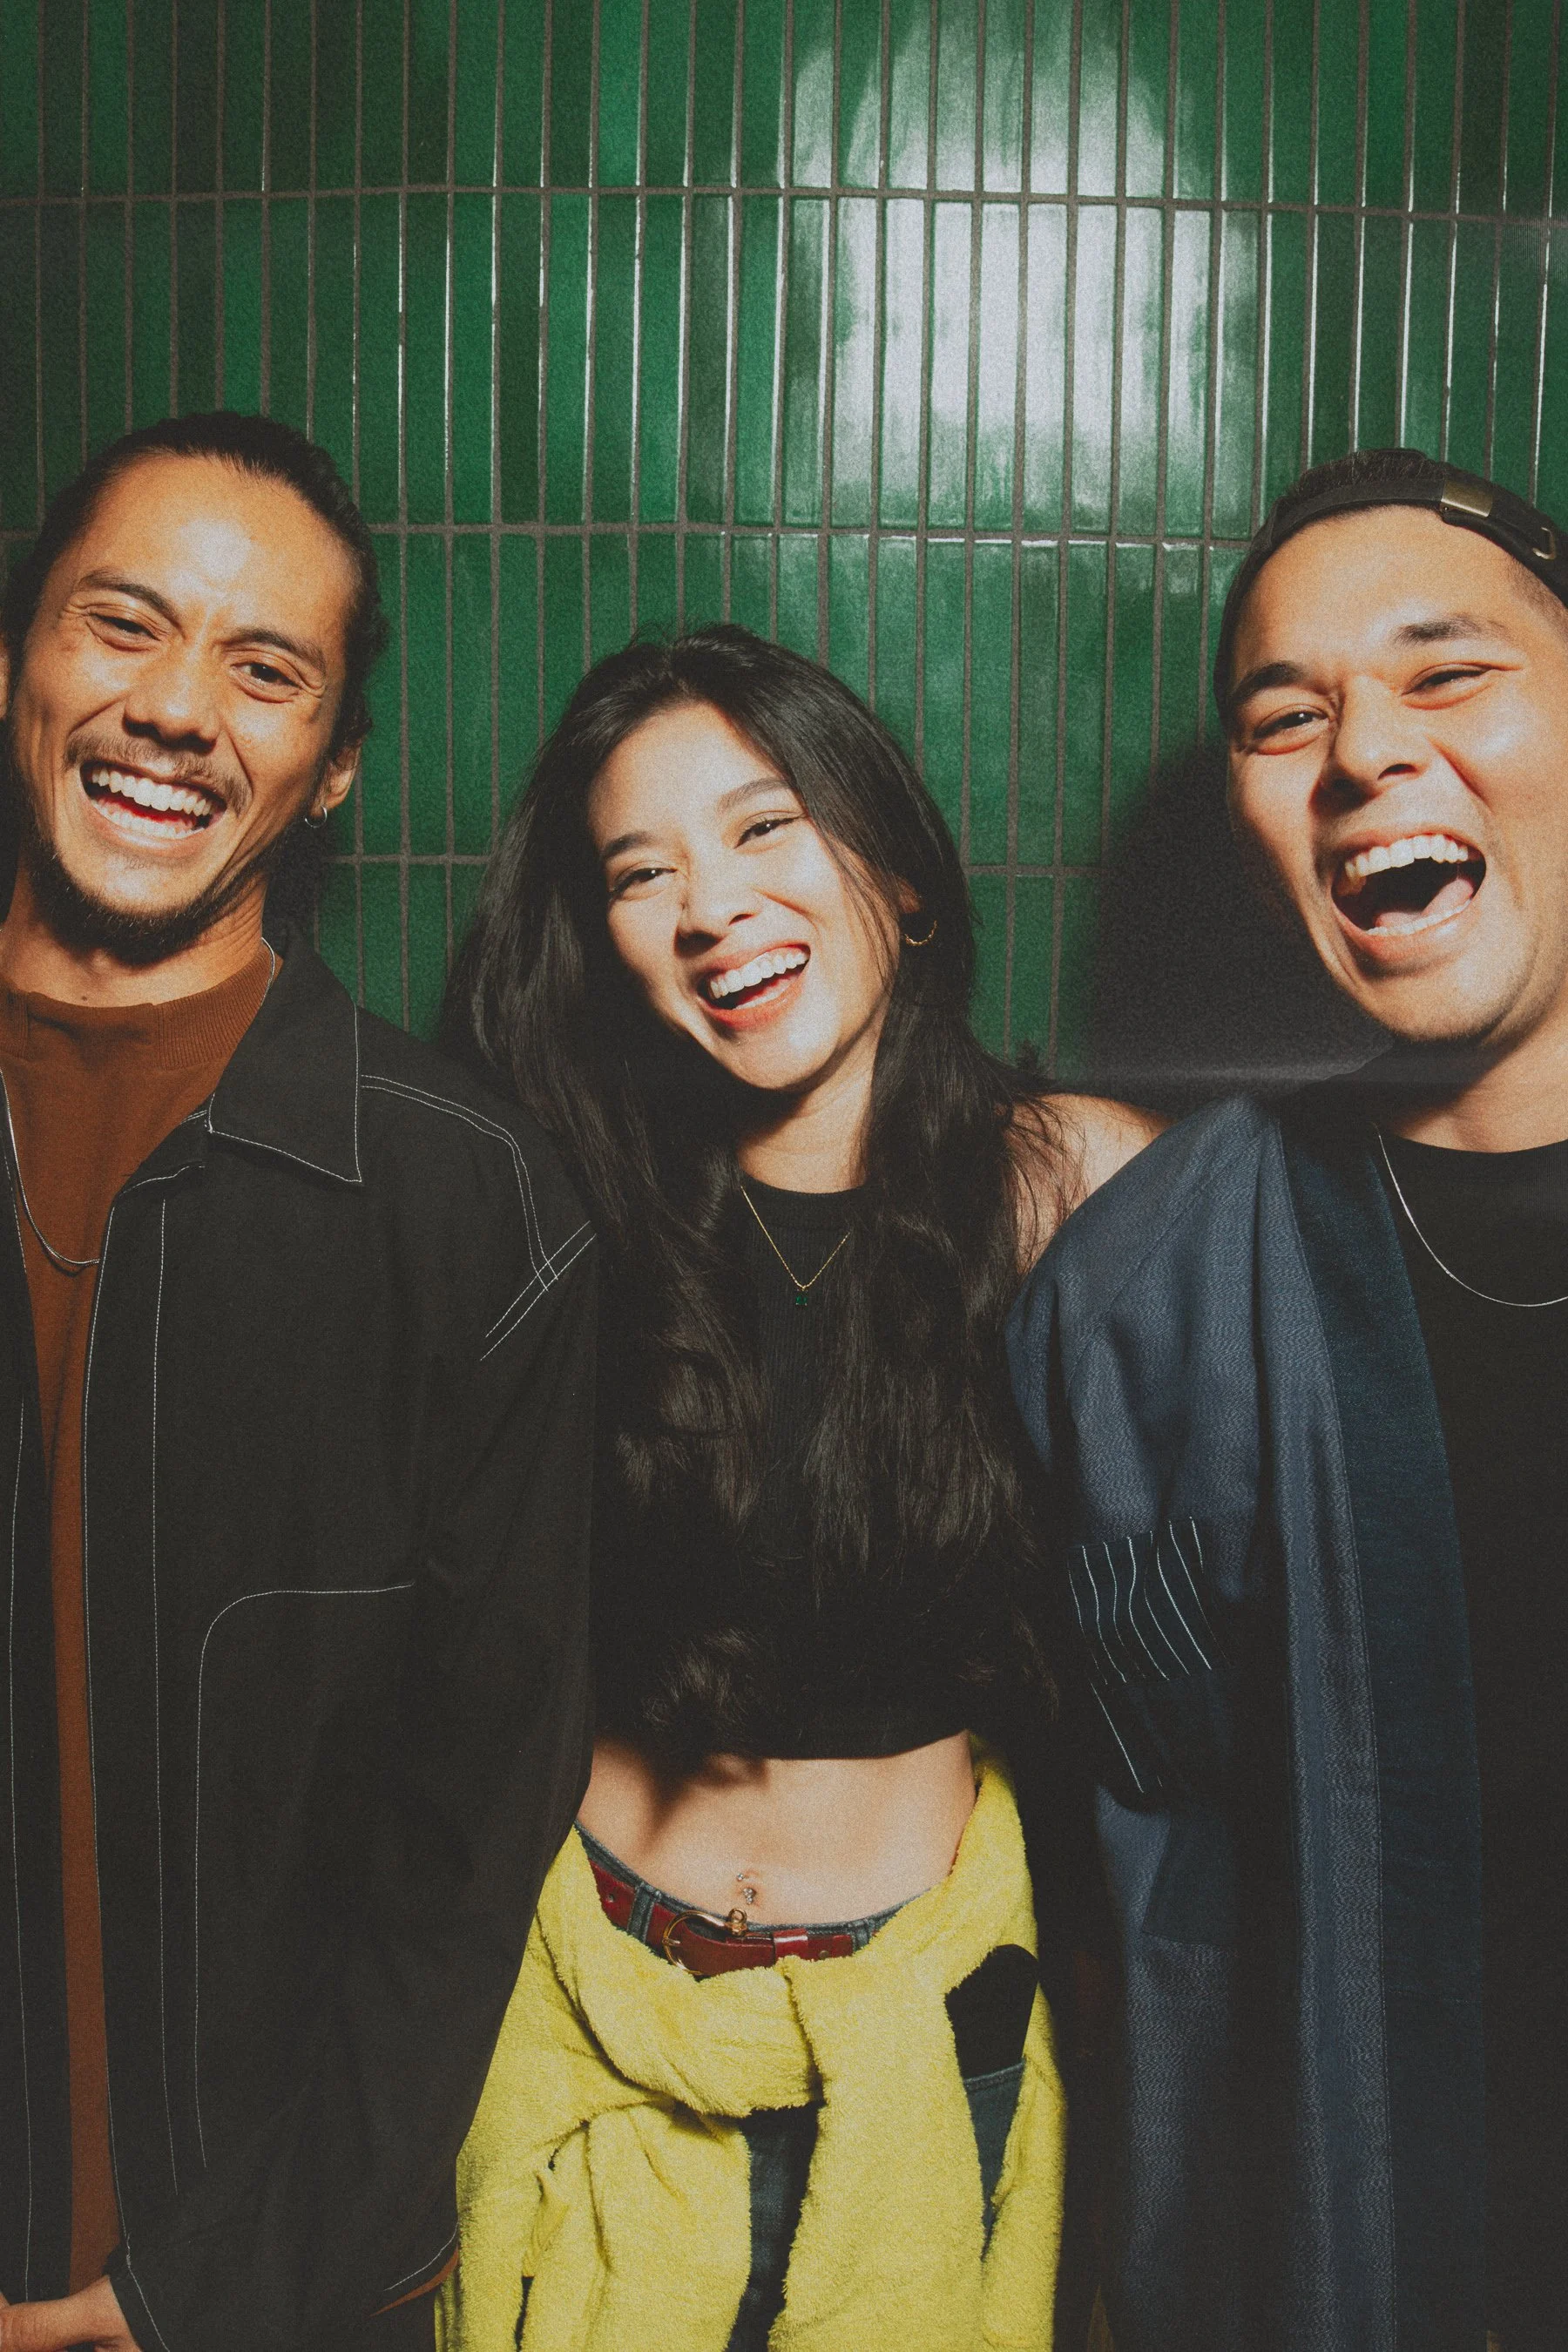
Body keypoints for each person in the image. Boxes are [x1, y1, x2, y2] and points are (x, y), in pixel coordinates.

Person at [436, 626, 1159, 2351]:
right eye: (643, 870)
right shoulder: (559, 1214)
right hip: (582, 2003)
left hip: (922, 2025)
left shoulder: (1064, 1180)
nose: (710, 903)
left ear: (896, 875)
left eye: (764, 829)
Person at [0, 413, 597, 2352]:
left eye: (264, 672)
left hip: (261, 2295)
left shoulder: (469, 1199)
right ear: (18, 666)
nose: (180, 709)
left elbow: (464, 1857)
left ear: (331, 769)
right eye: (125, 627)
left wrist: (192, 2299)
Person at [1008, 445, 1568, 2352]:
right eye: (1283, 716)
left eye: (1446, 672)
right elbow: (1147, 1920)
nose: (1360, 755)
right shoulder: (1143, 1301)